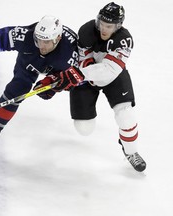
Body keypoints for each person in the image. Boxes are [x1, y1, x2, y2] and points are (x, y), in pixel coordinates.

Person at [38, 2, 146, 172]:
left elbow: (108, 71)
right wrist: (55, 79)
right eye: (102, 23)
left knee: (126, 116)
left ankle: (131, 151)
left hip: (113, 77)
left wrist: (80, 73)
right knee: (84, 128)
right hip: (86, 78)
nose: (104, 29)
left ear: (118, 26)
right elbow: (80, 60)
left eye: (109, 26)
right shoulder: (86, 31)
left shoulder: (124, 40)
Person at [0, 15, 79, 150]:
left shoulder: (71, 55)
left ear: (58, 38)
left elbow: (79, 79)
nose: (41, 45)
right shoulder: (27, 36)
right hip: (30, 60)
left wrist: (56, 84)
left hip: (57, 67)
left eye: (46, 41)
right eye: (39, 40)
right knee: (16, 90)